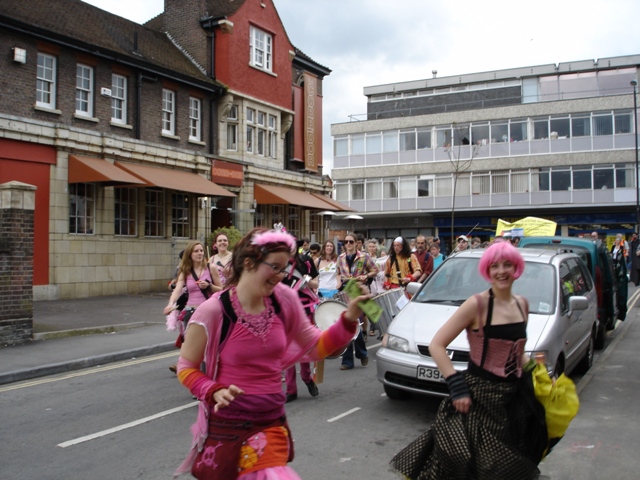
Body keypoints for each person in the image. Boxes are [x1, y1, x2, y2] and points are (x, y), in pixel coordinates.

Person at [174, 227, 370, 479]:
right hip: (228, 427)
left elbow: (315, 347)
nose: (280, 276)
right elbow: (186, 367)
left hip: (271, 423)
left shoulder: (285, 299)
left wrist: (349, 318)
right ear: (248, 262)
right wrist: (213, 390)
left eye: (284, 268)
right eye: (274, 267)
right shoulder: (213, 311)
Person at [390, 241, 547, 479]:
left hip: (513, 400)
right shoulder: (477, 304)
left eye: (507, 265)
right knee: (476, 467)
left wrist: (538, 372)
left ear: (516, 268)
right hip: (479, 400)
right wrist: (456, 385)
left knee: (512, 464)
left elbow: (518, 352)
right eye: (495, 266)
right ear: (488, 270)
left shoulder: (521, 304)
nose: (501, 271)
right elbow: (437, 345)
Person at [164, 241, 223, 373]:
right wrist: (170, 305)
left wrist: (209, 286)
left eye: (201, 250)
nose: (200, 253)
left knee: (207, 347)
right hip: (191, 313)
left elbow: (221, 289)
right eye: (196, 251)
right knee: (193, 348)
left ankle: (208, 376)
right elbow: (177, 290)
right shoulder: (185, 271)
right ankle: (197, 382)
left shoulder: (211, 268)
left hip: (208, 312)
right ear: (190, 254)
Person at [282, 240, 320, 403]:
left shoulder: (306, 261)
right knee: (287, 350)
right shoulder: (277, 264)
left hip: (305, 308)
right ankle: (291, 389)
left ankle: (307, 377)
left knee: (305, 347)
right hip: (286, 310)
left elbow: (316, 283)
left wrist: (306, 281)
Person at [337, 232, 378, 370]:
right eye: (346, 242)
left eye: (351, 242)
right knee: (348, 323)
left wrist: (365, 276)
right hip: (345, 292)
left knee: (356, 324)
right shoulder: (341, 258)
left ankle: (361, 353)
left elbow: (375, 270)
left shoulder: (364, 256)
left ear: (356, 243)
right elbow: (337, 273)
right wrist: (338, 281)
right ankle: (348, 360)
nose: (348, 244)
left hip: (359, 292)